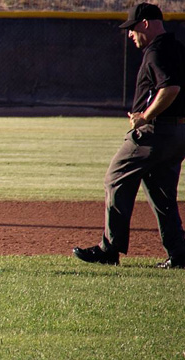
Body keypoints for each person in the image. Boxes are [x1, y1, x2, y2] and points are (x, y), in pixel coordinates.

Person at [73, 3, 185, 269]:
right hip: (178, 134)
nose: (130, 34)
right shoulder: (178, 49)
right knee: (161, 193)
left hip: (154, 133)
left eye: (133, 28)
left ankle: (109, 249)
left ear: (145, 23)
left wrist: (145, 116)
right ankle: (179, 253)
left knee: (115, 178)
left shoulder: (156, 51)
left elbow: (170, 88)